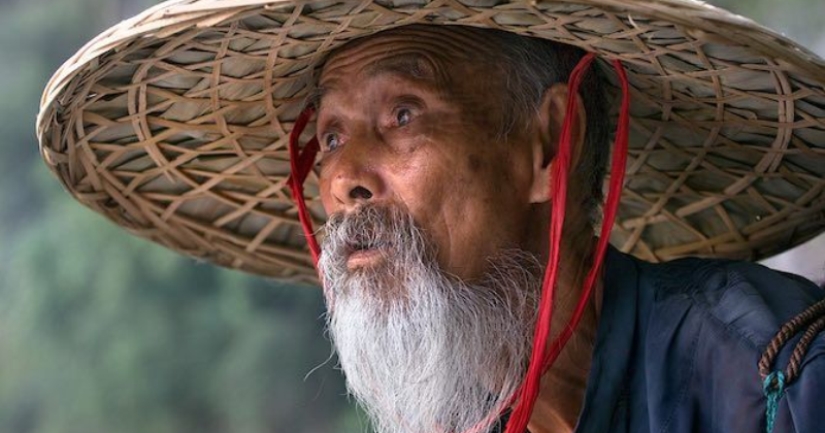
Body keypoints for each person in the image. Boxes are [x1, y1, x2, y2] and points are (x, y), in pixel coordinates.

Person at [36, 1, 825, 433]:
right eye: (333, 133)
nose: (341, 175)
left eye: (404, 114)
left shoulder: (774, 379)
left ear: (549, 143)